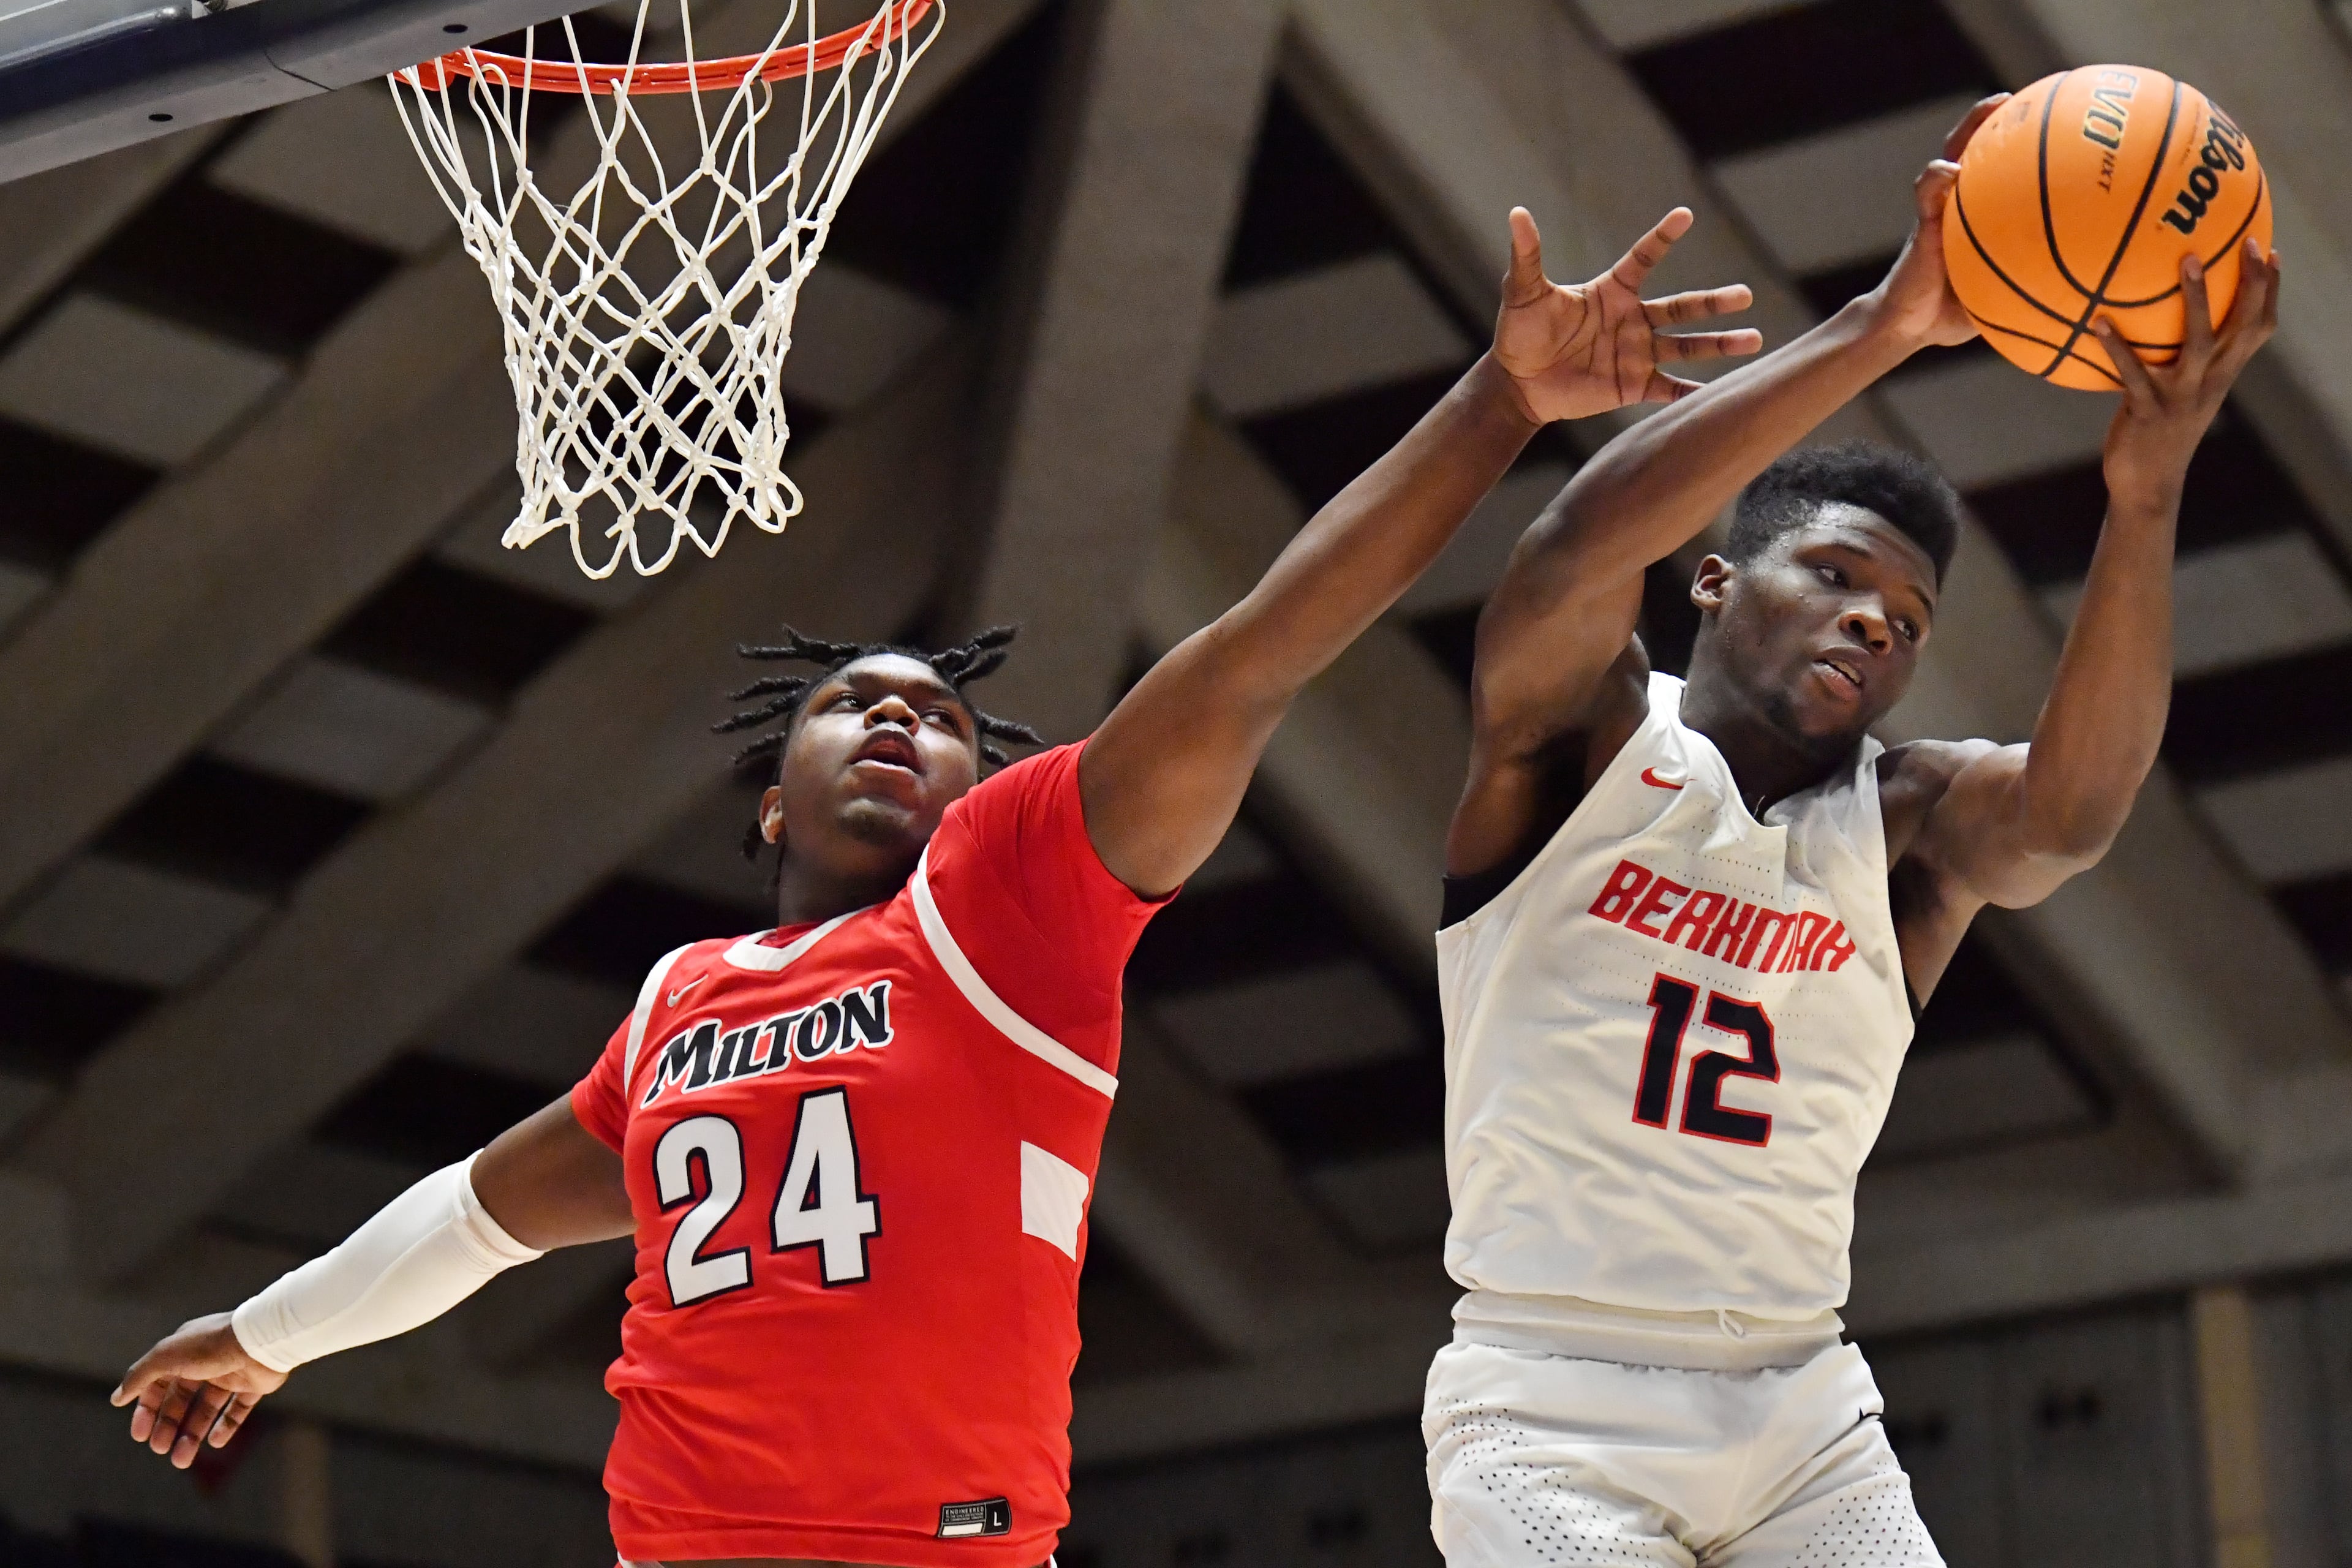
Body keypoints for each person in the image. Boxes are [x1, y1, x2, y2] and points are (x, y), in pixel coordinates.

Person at [111, 203, 1761, 1566]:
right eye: (854, 703)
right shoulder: (679, 1003)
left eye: (943, 716)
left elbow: (1260, 649)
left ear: (982, 787)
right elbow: (472, 1220)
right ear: (774, 800)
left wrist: (1497, 403)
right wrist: (261, 1336)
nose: (900, 718)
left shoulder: (1008, 897)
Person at [1421, 96, 2280, 1568]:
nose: (1876, 620)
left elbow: (2074, 813)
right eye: (1830, 575)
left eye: (1908, 619)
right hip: (1551, 1397)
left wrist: (2145, 500)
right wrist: (1887, 324)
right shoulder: (1587, 740)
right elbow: (1571, 550)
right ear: (1711, 582)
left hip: (1804, 1410)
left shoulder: (1906, 826)